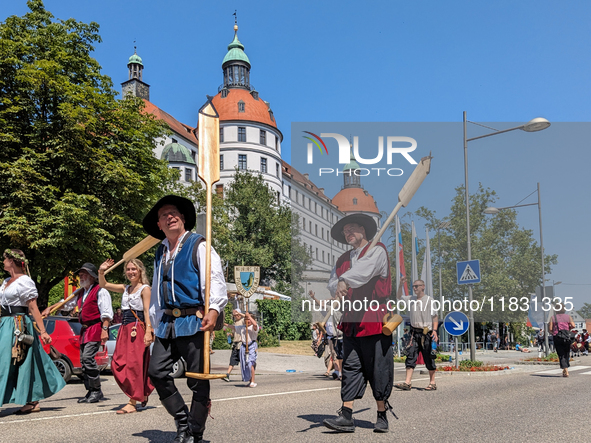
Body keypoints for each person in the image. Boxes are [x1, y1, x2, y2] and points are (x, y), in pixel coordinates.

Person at [144, 195, 227, 443]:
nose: (169, 217)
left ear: (182, 218)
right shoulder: (160, 252)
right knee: (156, 372)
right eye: (164, 215)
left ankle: (195, 432)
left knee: (197, 381)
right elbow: (158, 291)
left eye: (174, 213)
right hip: (167, 324)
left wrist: (213, 310)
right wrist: (152, 322)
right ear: (159, 225)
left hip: (194, 320)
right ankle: (182, 421)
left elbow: (215, 279)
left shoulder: (198, 245)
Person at [322, 213, 393, 434]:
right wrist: (338, 286)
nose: (348, 233)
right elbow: (332, 282)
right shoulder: (343, 259)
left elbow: (364, 271)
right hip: (352, 320)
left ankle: (382, 415)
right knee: (351, 367)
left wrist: (345, 280)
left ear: (363, 230)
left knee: (378, 368)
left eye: (351, 228)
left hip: (373, 319)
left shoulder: (377, 250)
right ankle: (346, 415)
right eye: (345, 231)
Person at [0, 249, 66, 414]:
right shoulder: (6, 280)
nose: (2, 262)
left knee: (17, 361)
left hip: (18, 324)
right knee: (17, 362)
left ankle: (32, 401)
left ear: (12, 261)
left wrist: (43, 331)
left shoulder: (25, 282)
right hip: (5, 323)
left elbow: (32, 307)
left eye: (4, 259)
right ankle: (32, 400)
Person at [43, 262, 113, 403]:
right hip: (84, 329)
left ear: (92, 276)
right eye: (80, 274)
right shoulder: (81, 292)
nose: (81, 276)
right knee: (83, 361)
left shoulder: (101, 290)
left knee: (88, 358)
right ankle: (90, 391)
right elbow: (66, 303)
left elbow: (106, 313)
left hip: (95, 328)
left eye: (84, 274)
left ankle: (96, 390)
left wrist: (105, 330)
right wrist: (50, 308)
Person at [98, 258, 154, 414]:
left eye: (134, 269)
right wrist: (101, 270)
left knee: (134, 365)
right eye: (128, 269)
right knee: (117, 363)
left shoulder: (145, 289)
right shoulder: (125, 288)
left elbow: (147, 311)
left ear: (140, 270)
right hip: (124, 329)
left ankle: (133, 401)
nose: (131, 272)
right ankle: (140, 392)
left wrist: (149, 331)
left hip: (137, 329)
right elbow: (103, 285)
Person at [394, 277, 438, 392]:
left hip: (426, 333)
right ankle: (407, 382)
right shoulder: (411, 299)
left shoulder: (430, 300)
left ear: (423, 287)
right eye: (413, 286)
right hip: (414, 332)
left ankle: (432, 383)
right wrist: (400, 284)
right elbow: (398, 296)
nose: (414, 288)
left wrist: (435, 331)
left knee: (429, 357)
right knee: (410, 356)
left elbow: (435, 316)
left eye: (416, 286)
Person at [226, 312, 259, 387]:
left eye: (249, 319)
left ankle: (253, 381)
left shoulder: (254, 327)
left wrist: (248, 316)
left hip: (251, 346)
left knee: (251, 363)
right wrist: (223, 324)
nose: (248, 321)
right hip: (243, 346)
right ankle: (249, 380)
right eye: (246, 319)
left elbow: (254, 324)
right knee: (245, 364)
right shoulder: (243, 327)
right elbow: (233, 327)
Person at [549, 305, 575, 377]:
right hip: (567, 337)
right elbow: (573, 325)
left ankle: (565, 369)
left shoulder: (553, 317)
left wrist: (554, 332)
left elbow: (550, 329)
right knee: (566, 353)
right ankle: (566, 368)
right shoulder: (568, 317)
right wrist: (568, 330)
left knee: (561, 353)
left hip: (557, 337)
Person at [223, 309, 245, 382]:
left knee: (243, 361)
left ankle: (245, 375)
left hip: (241, 343)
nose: (236, 316)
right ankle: (227, 374)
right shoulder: (235, 322)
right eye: (235, 315)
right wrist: (230, 335)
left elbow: (247, 317)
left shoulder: (242, 321)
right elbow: (234, 331)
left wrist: (240, 313)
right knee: (232, 360)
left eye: (237, 315)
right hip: (235, 344)